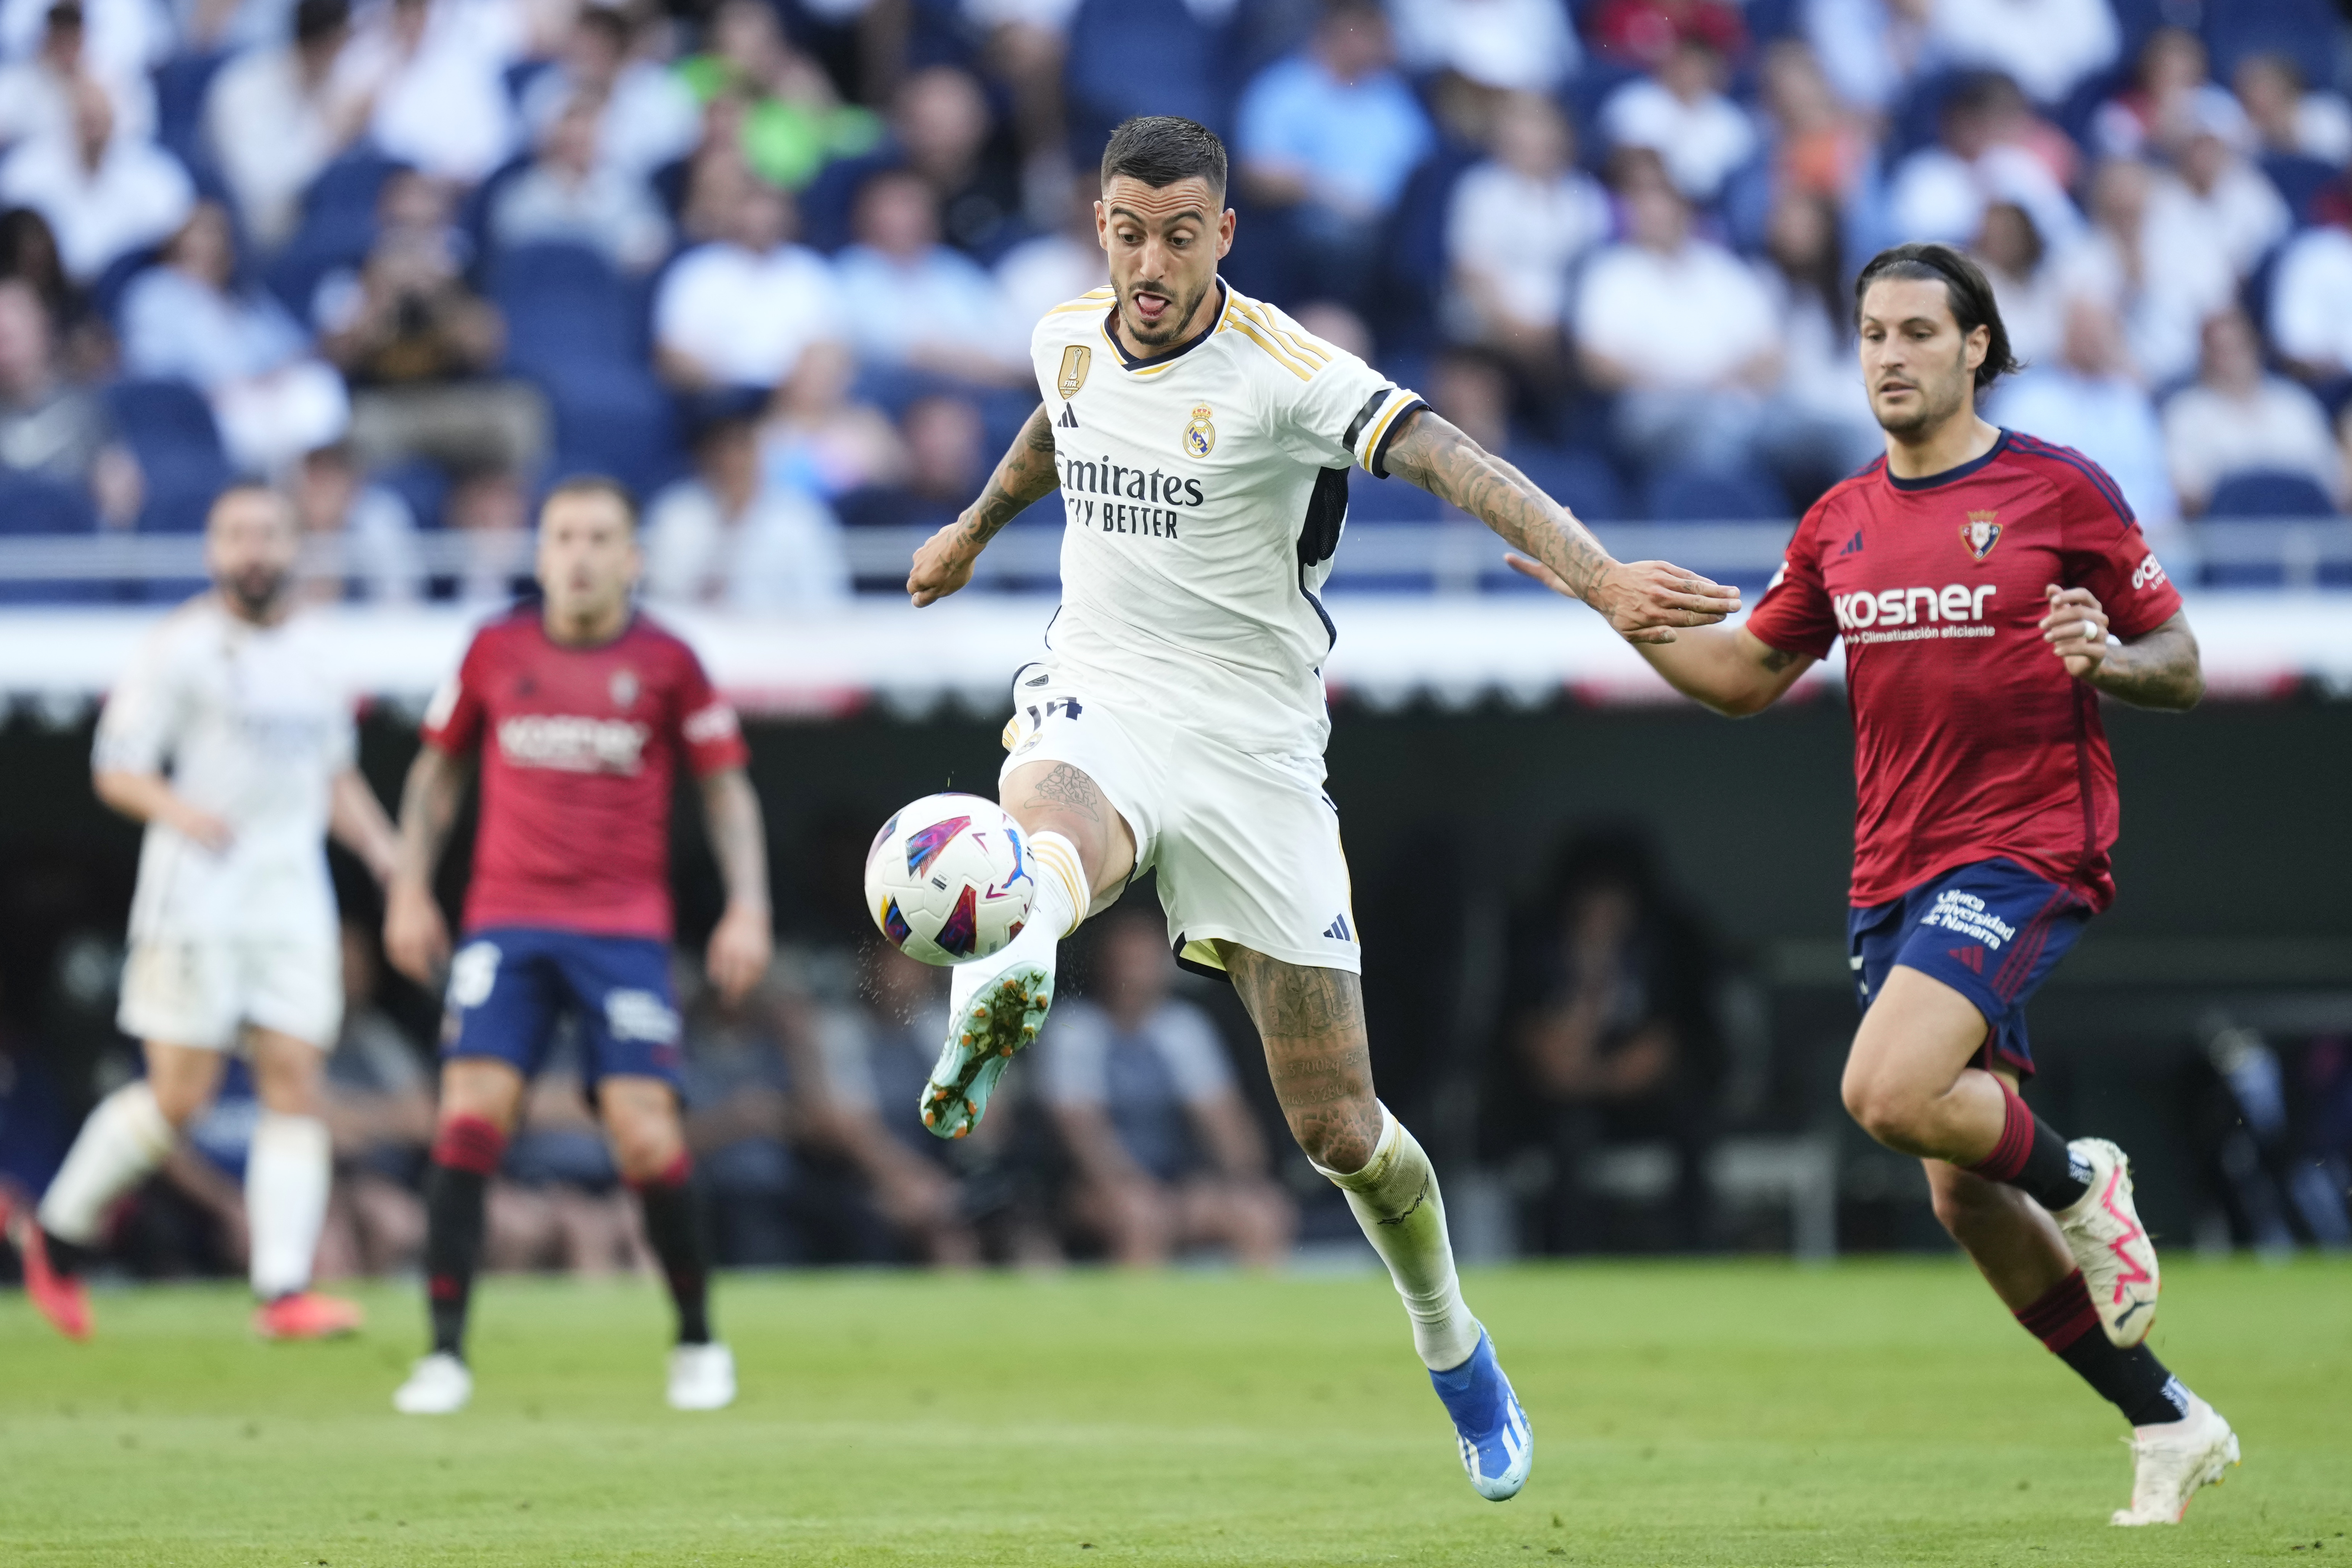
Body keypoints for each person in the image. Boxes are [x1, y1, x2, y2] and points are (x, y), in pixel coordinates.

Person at [901, 114, 1737, 1502]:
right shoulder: (1062, 333)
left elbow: (1456, 459)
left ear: (1221, 232)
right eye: (1126, 231)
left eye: (1179, 234)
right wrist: (972, 530)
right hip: (1099, 688)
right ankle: (1007, 966)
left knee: (1339, 1128)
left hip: (1255, 747)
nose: (1150, 261)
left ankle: (1454, 1345)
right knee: (1046, 822)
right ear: (1098, 228)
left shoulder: (1290, 372)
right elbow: (1059, 423)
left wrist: (1595, 577)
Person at [1509, 241, 2237, 1527]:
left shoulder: (2057, 491)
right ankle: (2163, 1418)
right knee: (1958, 1190)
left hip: (2023, 847)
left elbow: (2174, 657)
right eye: (1869, 335)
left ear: (1974, 348)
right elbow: (1740, 678)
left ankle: (2083, 1182)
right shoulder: (1837, 521)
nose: (1888, 356)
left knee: (1882, 1089)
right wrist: (1601, 595)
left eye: (1915, 332)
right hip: (1889, 875)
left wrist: (2103, 661)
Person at [381, 475, 774, 1416]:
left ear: (632, 558)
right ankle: (443, 1354)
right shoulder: (491, 647)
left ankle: (694, 1337)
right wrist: (405, 889)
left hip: (622, 928)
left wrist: (746, 907)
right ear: (541, 551)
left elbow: (724, 791)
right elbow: (436, 774)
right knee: (468, 1118)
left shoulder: (671, 661)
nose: (582, 554)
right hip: (505, 921)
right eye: (564, 537)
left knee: (645, 1134)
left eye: (601, 537)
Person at [5, 485, 400, 1341]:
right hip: (198, 902)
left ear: (295, 546)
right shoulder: (177, 650)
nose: (250, 550)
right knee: (179, 1098)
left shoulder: (319, 657)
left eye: (266, 533)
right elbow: (117, 769)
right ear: (213, 551)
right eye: (233, 535)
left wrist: (383, 851)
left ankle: (282, 1290)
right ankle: (61, 1234)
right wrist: (183, 813)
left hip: (293, 901)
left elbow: (332, 779)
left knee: (295, 1080)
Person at [1039, 911, 1294, 1267]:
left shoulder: (1185, 1028)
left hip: (1178, 1185)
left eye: (1145, 963)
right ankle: (1140, 1322)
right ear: (1103, 967)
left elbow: (1226, 1123)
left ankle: (1258, 1321)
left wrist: (1239, 1179)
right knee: (1142, 1216)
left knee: (1262, 1211)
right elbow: (1082, 1132)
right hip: (1094, 1190)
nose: (1135, 975)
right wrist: (1138, 1187)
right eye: (1126, 963)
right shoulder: (1075, 1029)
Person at [119, 199, 351, 473]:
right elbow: (152, 370)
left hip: (263, 397)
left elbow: (294, 349)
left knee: (319, 385)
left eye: (218, 233)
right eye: (202, 232)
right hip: (209, 408)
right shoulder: (155, 293)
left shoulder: (242, 297)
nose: (211, 243)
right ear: (178, 241)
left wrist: (272, 378)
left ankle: (319, 484)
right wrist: (213, 393)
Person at [201, 0, 371, 252]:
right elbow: (262, 193)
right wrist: (326, 134)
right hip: (259, 240)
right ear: (328, 43)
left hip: (324, 230)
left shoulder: (341, 85)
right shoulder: (244, 90)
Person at [2159, 309, 2343, 515]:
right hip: (2226, 538)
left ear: (2255, 348)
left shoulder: (2296, 405)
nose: (2230, 358)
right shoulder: (2186, 414)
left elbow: (2334, 485)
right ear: (2205, 355)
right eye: (2220, 350)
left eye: (2238, 347)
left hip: (2302, 537)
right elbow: (2187, 493)